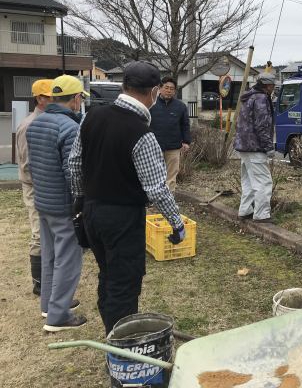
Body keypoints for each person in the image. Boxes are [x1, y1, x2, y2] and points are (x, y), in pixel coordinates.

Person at [69, 61, 186, 335]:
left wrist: (80, 200)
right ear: (155, 92)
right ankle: (122, 353)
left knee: (107, 276)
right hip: (122, 219)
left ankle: (111, 335)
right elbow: (157, 187)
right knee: (124, 286)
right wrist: (176, 223)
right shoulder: (142, 134)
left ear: (122, 86)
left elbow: (74, 164)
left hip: (92, 212)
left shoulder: (92, 117)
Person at [26, 75, 88, 331]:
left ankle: (48, 304)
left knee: (50, 257)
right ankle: (59, 315)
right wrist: (80, 205)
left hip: (43, 201)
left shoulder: (36, 123)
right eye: (80, 98)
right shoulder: (70, 128)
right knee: (68, 259)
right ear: (75, 99)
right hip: (62, 205)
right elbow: (72, 172)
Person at [16, 79, 53, 296]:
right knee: (39, 233)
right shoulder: (29, 125)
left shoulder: (48, 120)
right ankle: (39, 282)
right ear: (39, 99)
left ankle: (47, 277)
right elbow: (27, 165)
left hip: (46, 186)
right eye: (51, 98)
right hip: (36, 187)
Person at [233, 72, 277, 223]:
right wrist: (268, 146)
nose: (273, 89)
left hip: (244, 146)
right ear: (269, 86)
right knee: (263, 182)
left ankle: (245, 210)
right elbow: (262, 125)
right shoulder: (261, 98)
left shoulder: (248, 96)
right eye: (273, 86)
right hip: (255, 147)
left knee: (249, 182)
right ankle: (262, 214)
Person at [149, 76, 190, 192]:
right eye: (166, 88)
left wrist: (186, 141)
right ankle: (154, 198)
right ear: (160, 89)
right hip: (155, 147)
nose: (169, 91)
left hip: (173, 147)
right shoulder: (151, 104)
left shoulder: (180, 106)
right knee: (154, 175)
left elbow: (185, 125)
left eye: (172, 89)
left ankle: (169, 199)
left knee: (171, 175)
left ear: (175, 91)